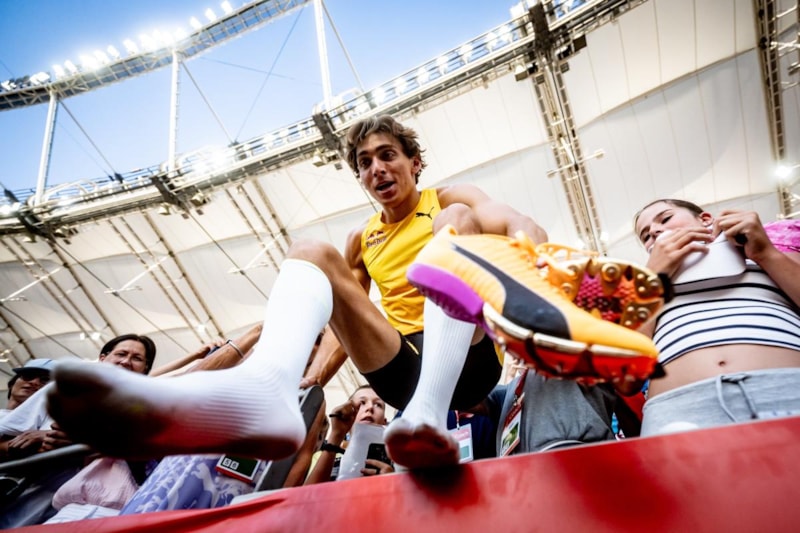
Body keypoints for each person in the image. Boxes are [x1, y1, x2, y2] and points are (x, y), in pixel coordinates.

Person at [45, 114, 552, 470]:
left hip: (468, 360)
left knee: (458, 219)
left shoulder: (448, 198)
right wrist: (309, 381)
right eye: (365, 162)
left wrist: (536, 261)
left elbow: (512, 221)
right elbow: (342, 326)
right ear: (360, 177)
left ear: (415, 162)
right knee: (311, 250)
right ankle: (269, 390)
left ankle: (429, 414)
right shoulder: (363, 239)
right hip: (402, 369)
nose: (377, 168)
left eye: (387, 155)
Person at [632, 199, 800, 436]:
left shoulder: (766, 253)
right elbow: (628, 375)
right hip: (679, 408)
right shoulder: (641, 292)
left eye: (665, 218)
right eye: (646, 236)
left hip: (787, 387)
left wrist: (765, 253)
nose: (655, 232)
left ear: (705, 219)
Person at [0, 335, 157, 528]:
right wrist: (31, 446)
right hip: (15, 492)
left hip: (72, 509)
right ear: (103, 358)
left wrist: (80, 440)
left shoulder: (143, 409)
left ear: (145, 369)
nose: (125, 361)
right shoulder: (62, 389)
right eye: (121, 354)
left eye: (137, 358)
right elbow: (2, 442)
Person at [305, 385, 391, 484]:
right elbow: (309, 491)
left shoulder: (395, 459)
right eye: (362, 403)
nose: (370, 407)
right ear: (348, 411)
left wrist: (393, 480)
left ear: (385, 422)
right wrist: (336, 436)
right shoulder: (320, 456)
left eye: (378, 405)